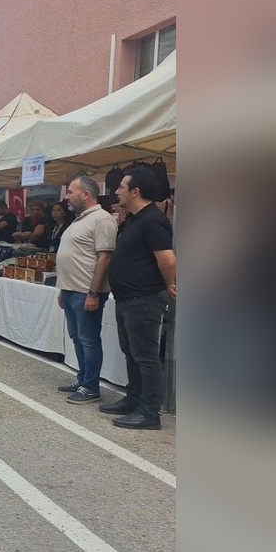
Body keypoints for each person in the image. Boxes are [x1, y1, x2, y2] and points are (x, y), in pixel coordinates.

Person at [100, 166, 176, 429]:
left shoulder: (153, 219)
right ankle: (133, 399)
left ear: (136, 191)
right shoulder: (133, 219)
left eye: (121, 187)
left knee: (145, 356)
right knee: (131, 353)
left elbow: (167, 259)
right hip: (126, 298)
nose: (117, 191)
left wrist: (170, 285)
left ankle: (149, 413)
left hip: (144, 299)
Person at [54, 176, 117, 404]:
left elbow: (105, 258)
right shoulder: (80, 219)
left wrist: (93, 293)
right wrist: (63, 289)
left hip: (86, 292)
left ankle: (91, 387)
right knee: (78, 338)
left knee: (89, 339)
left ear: (85, 194)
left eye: (70, 192)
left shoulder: (102, 220)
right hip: (72, 290)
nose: (66, 197)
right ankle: (83, 379)